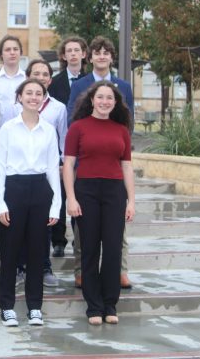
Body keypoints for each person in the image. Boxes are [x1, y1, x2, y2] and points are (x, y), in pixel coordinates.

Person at [63, 81, 135, 325]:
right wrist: (71, 198)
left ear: (115, 103)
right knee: (90, 249)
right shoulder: (78, 127)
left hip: (115, 193)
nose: (105, 102)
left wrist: (131, 201)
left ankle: (110, 304)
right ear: (92, 100)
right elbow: (69, 165)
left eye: (110, 98)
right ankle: (93, 306)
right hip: (87, 191)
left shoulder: (121, 129)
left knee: (113, 249)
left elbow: (127, 167)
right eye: (101, 97)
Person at [66, 36, 134, 290]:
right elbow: (73, 115)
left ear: (111, 57)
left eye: (107, 53)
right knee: (85, 228)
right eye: (97, 52)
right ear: (90, 56)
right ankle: (82, 271)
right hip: (87, 160)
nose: (102, 56)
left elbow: (129, 120)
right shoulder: (80, 84)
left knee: (117, 229)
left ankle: (120, 270)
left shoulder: (123, 86)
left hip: (114, 160)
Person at [0, 79, 61, 327]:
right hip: (14, 190)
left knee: (37, 252)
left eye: (38, 93)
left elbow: (54, 168)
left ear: (44, 98)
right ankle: (7, 306)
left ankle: (34, 307)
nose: (33, 97)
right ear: (19, 97)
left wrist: (56, 205)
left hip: (40, 190)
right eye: (28, 93)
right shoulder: (8, 129)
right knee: (9, 252)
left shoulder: (49, 129)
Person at [24, 59, 67, 287]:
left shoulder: (58, 108)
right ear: (27, 76)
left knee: (45, 222)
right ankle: (21, 267)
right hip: (20, 175)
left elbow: (64, 139)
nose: (40, 77)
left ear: (50, 80)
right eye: (35, 73)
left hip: (47, 174)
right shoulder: (16, 107)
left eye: (44, 74)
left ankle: (44, 266)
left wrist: (61, 165)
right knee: (21, 223)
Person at [47, 36, 88, 258]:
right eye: (69, 50)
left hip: (84, 146)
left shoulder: (91, 80)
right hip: (60, 146)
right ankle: (58, 240)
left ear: (84, 54)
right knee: (60, 195)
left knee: (79, 194)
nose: (73, 54)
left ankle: (79, 239)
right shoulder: (55, 82)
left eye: (77, 50)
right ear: (63, 56)